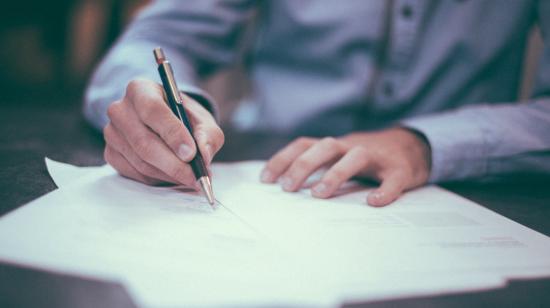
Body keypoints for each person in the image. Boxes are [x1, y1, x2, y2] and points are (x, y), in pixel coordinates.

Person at [84, 1, 550, 206]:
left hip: (470, 189)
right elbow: (150, 41)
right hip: (267, 171)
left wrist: (424, 144)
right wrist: (156, 106)